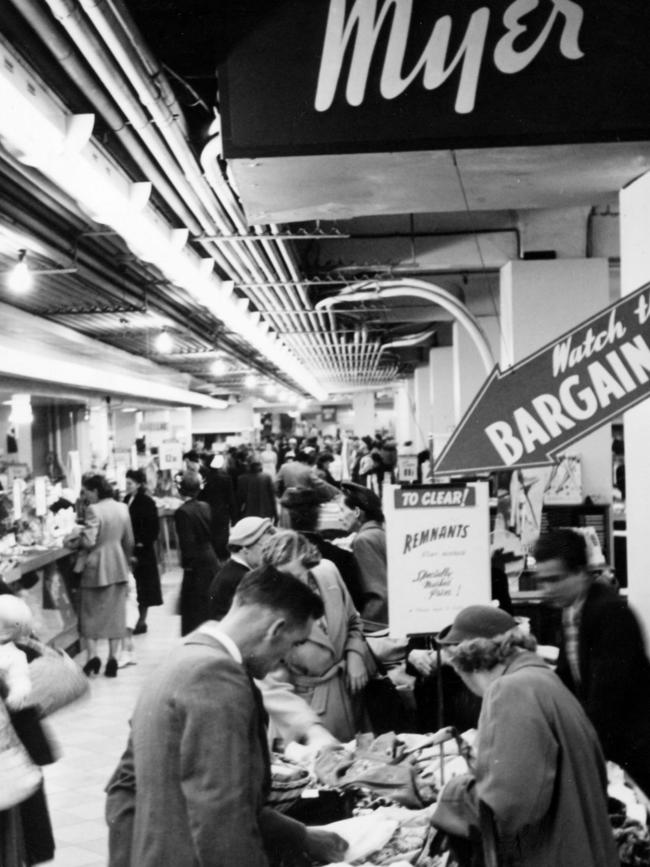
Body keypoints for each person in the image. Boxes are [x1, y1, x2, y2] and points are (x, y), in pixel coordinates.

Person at [105, 566, 348, 867]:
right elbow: (222, 817)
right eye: (295, 643)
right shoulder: (216, 677)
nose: (287, 657)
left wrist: (300, 835)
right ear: (276, 629)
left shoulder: (182, 655)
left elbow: (124, 788)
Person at [431, 605, 619, 867]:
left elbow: (509, 805)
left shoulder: (509, 690)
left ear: (465, 662)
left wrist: (453, 795)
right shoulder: (544, 680)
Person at [534, 527, 650, 797]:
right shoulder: (571, 609)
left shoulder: (609, 612)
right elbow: (567, 677)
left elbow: (607, 698)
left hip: (635, 744)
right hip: (616, 744)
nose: (547, 589)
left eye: (555, 579)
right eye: (542, 581)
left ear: (580, 573)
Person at [261, 530, 370, 741]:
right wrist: (309, 729)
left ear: (309, 563)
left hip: (350, 694)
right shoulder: (268, 610)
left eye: (296, 575)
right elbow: (273, 687)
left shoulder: (328, 572)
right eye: (280, 576)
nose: (288, 583)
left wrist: (355, 654)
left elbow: (353, 621)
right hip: (308, 711)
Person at [75, 474, 134, 678]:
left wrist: (77, 537)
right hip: (118, 566)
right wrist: (124, 561)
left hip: (95, 568)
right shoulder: (122, 508)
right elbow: (129, 540)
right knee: (116, 615)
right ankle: (113, 659)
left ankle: (92, 657)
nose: (85, 496)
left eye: (87, 492)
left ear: (95, 491)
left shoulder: (94, 510)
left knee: (89, 614)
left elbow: (90, 541)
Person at [279, 486, 364, 612]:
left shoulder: (275, 559)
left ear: (285, 516)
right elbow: (356, 605)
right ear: (318, 514)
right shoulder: (341, 557)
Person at [174, 471, 219, 636]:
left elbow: (187, 543)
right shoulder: (206, 507)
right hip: (210, 557)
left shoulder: (182, 512)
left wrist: (187, 565)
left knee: (193, 609)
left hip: (196, 564)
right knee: (207, 604)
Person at [208, 516, 276, 621]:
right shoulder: (244, 579)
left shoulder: (232, 570)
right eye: (265, 547)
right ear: (245, 549)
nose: (268, 553)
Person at [340, 482, 388, 627]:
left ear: (356, 512)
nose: (340, 517)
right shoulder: (379, 533)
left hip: (378, 629)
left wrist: (364, 627)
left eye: (342, 510)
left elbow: (379, 595)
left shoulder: (364, 541)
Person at [123, 469, 162, 635]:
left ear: (138, 484)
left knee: (144, 587)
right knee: (135, 586)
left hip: (142, 550)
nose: (127, 486)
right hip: (130, 548)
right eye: (126, 483)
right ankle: (134, 619)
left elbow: (153, 528)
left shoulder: (146, 502)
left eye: (130, 483)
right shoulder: (126, 500)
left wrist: (140, 543)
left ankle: (141, 621)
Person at [198, 451, 238, 562]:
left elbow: (200, 497)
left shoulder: (204, 480)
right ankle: (222, 560)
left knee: (209, 537)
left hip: (206, 512)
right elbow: (231, 499)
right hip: (222, 512)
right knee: (222, 538)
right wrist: (234, 518)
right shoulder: (226, 478)